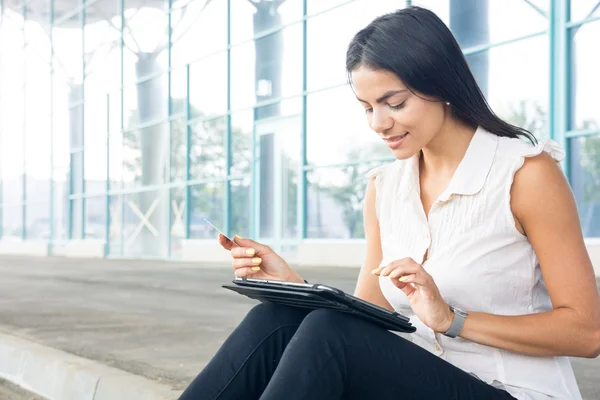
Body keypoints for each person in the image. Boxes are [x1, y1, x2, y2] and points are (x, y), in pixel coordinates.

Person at [179, 6, 600, 400]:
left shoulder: (525, 173)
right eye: (367, 108)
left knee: (331, 336)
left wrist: (451, 319)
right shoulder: (386, 187)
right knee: (276, 318)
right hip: (417, 379)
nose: (379, 124)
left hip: (512, 388)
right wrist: (293, 286)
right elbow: (366, 316)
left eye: (394, 103)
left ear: (442, 86)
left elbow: (587, 333)